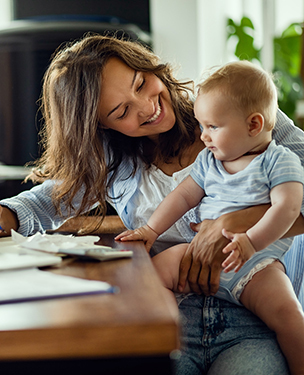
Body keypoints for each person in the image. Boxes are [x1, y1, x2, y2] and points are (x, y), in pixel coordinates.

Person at [0, 35, 303, 374]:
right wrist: (7, 213)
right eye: (122, 111)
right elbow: (50, 199)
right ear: (101, 125)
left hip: (254, 315)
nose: (147, 106)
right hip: (171, 319)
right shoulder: (114, 159)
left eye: (142, 83)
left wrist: (233, 222)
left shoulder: (236, 109)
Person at [116, 61, 304, 374]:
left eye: (212, 127)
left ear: (253, 126)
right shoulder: (210, 161)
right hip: (196, 254)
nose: (203, 136)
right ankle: (174, 333)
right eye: (202, 126)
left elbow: (286, 208)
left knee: (290, 316)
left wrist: (249, 241)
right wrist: (150, 229)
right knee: (149, 275)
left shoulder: (279, 162)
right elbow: (182, 197)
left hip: (256, 263)